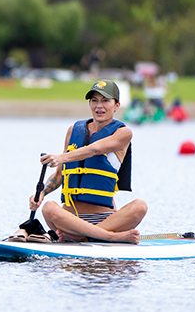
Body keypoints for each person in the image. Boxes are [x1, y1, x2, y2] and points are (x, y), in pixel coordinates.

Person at [10, 80, 148, 244]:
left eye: (105, 101)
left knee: (140, 206)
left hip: (105, 218)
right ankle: (109, 236)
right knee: (48, 208)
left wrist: (62, 157)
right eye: (94, 100)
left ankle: (87, 236)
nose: (99, 106)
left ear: (116, 105)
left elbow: (95, 149)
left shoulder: (123, 133)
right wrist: (41, 194)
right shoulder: (73, 131)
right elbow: (59, 175)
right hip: (69, 219)